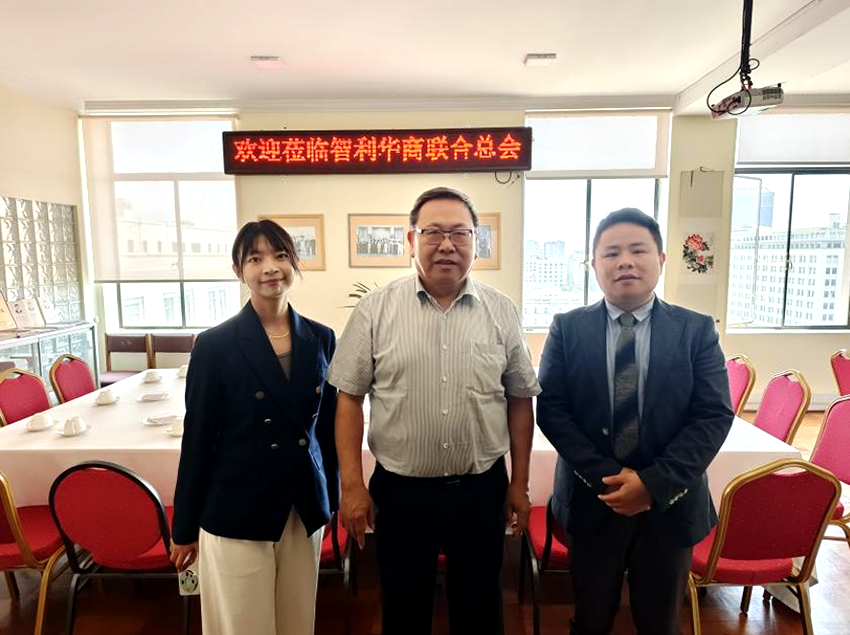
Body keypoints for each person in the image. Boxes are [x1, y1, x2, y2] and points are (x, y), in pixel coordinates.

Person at [328, 186, 540, 635]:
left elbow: (520, 399)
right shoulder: (374, 311)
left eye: (460, 233)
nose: (447, 244)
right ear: (411, 240)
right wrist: (352, 485)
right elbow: (348, 399)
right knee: (404, 611)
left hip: (480, 491)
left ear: (476, 242)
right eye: (433, 232)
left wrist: (519, 483)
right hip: (401, 494)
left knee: (480, 612)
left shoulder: (501, 312)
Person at [537, 208, 733, 635]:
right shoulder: (567, 328)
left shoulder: (696, 330)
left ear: (661, 259)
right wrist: (610, 480)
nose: (625, 261)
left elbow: (713, 414)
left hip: (671, 504)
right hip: (593, 502)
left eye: (638, 250)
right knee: (590, 618)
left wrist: (652, 484)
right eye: (611, 253)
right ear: (594, 265)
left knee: (660, 622)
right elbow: (552, 409)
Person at [169, 220, 338, 635]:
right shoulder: (215, 345)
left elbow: (327, 428)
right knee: (243, 625)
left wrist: (331, 497)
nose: (270, 268)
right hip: (237, 506)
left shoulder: (321, 337)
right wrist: (184, 527)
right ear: (238, 270)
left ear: (294, 263)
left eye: (280, 256)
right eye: (255, 259)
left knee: (297, 621)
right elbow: (198, 439)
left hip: (301, 506)